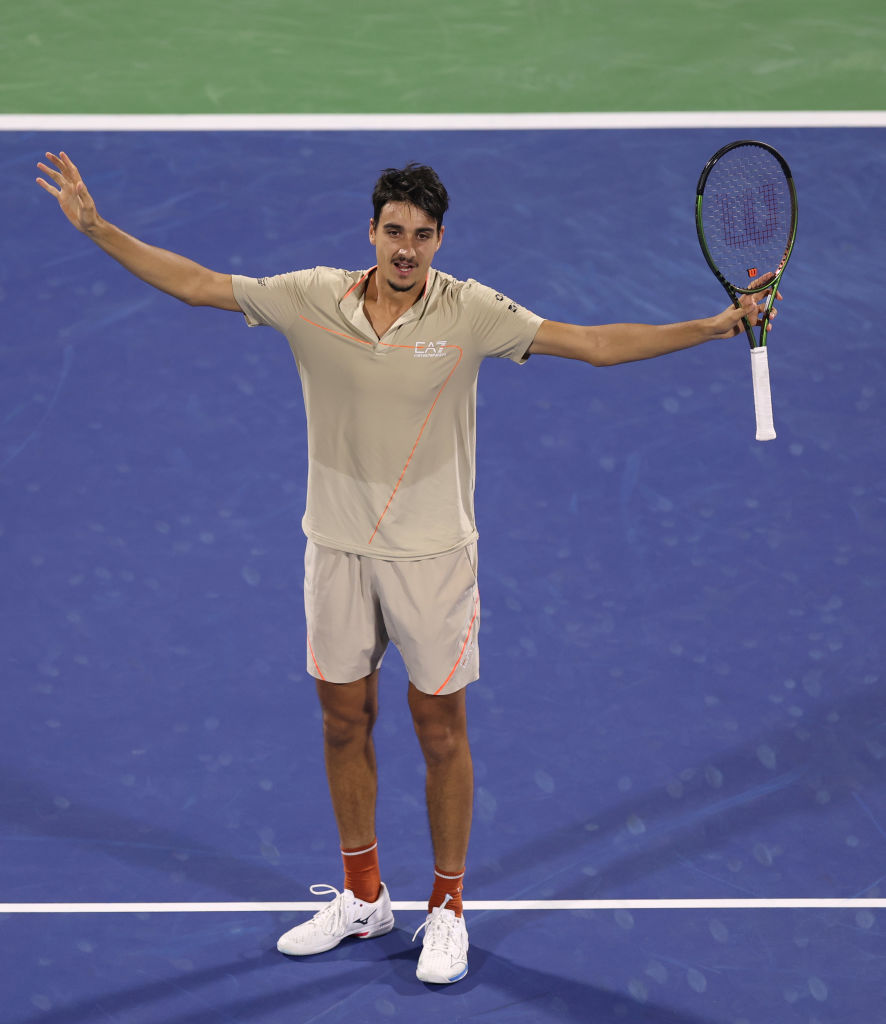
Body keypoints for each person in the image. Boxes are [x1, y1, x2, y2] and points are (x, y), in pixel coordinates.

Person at [36, 151, 778, 985]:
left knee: (440, 732)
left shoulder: (472, 312)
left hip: (432, 561)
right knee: (342, 722)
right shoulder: (310, 297)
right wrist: (98, 229)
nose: (406, 248)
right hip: (337, 550)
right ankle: (364, 897)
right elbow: (200, 284)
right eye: (395, 231)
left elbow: (595, 344)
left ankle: (448, 907)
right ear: (371, 231)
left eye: (423, 236)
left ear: (439, 241)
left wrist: (711, 326)